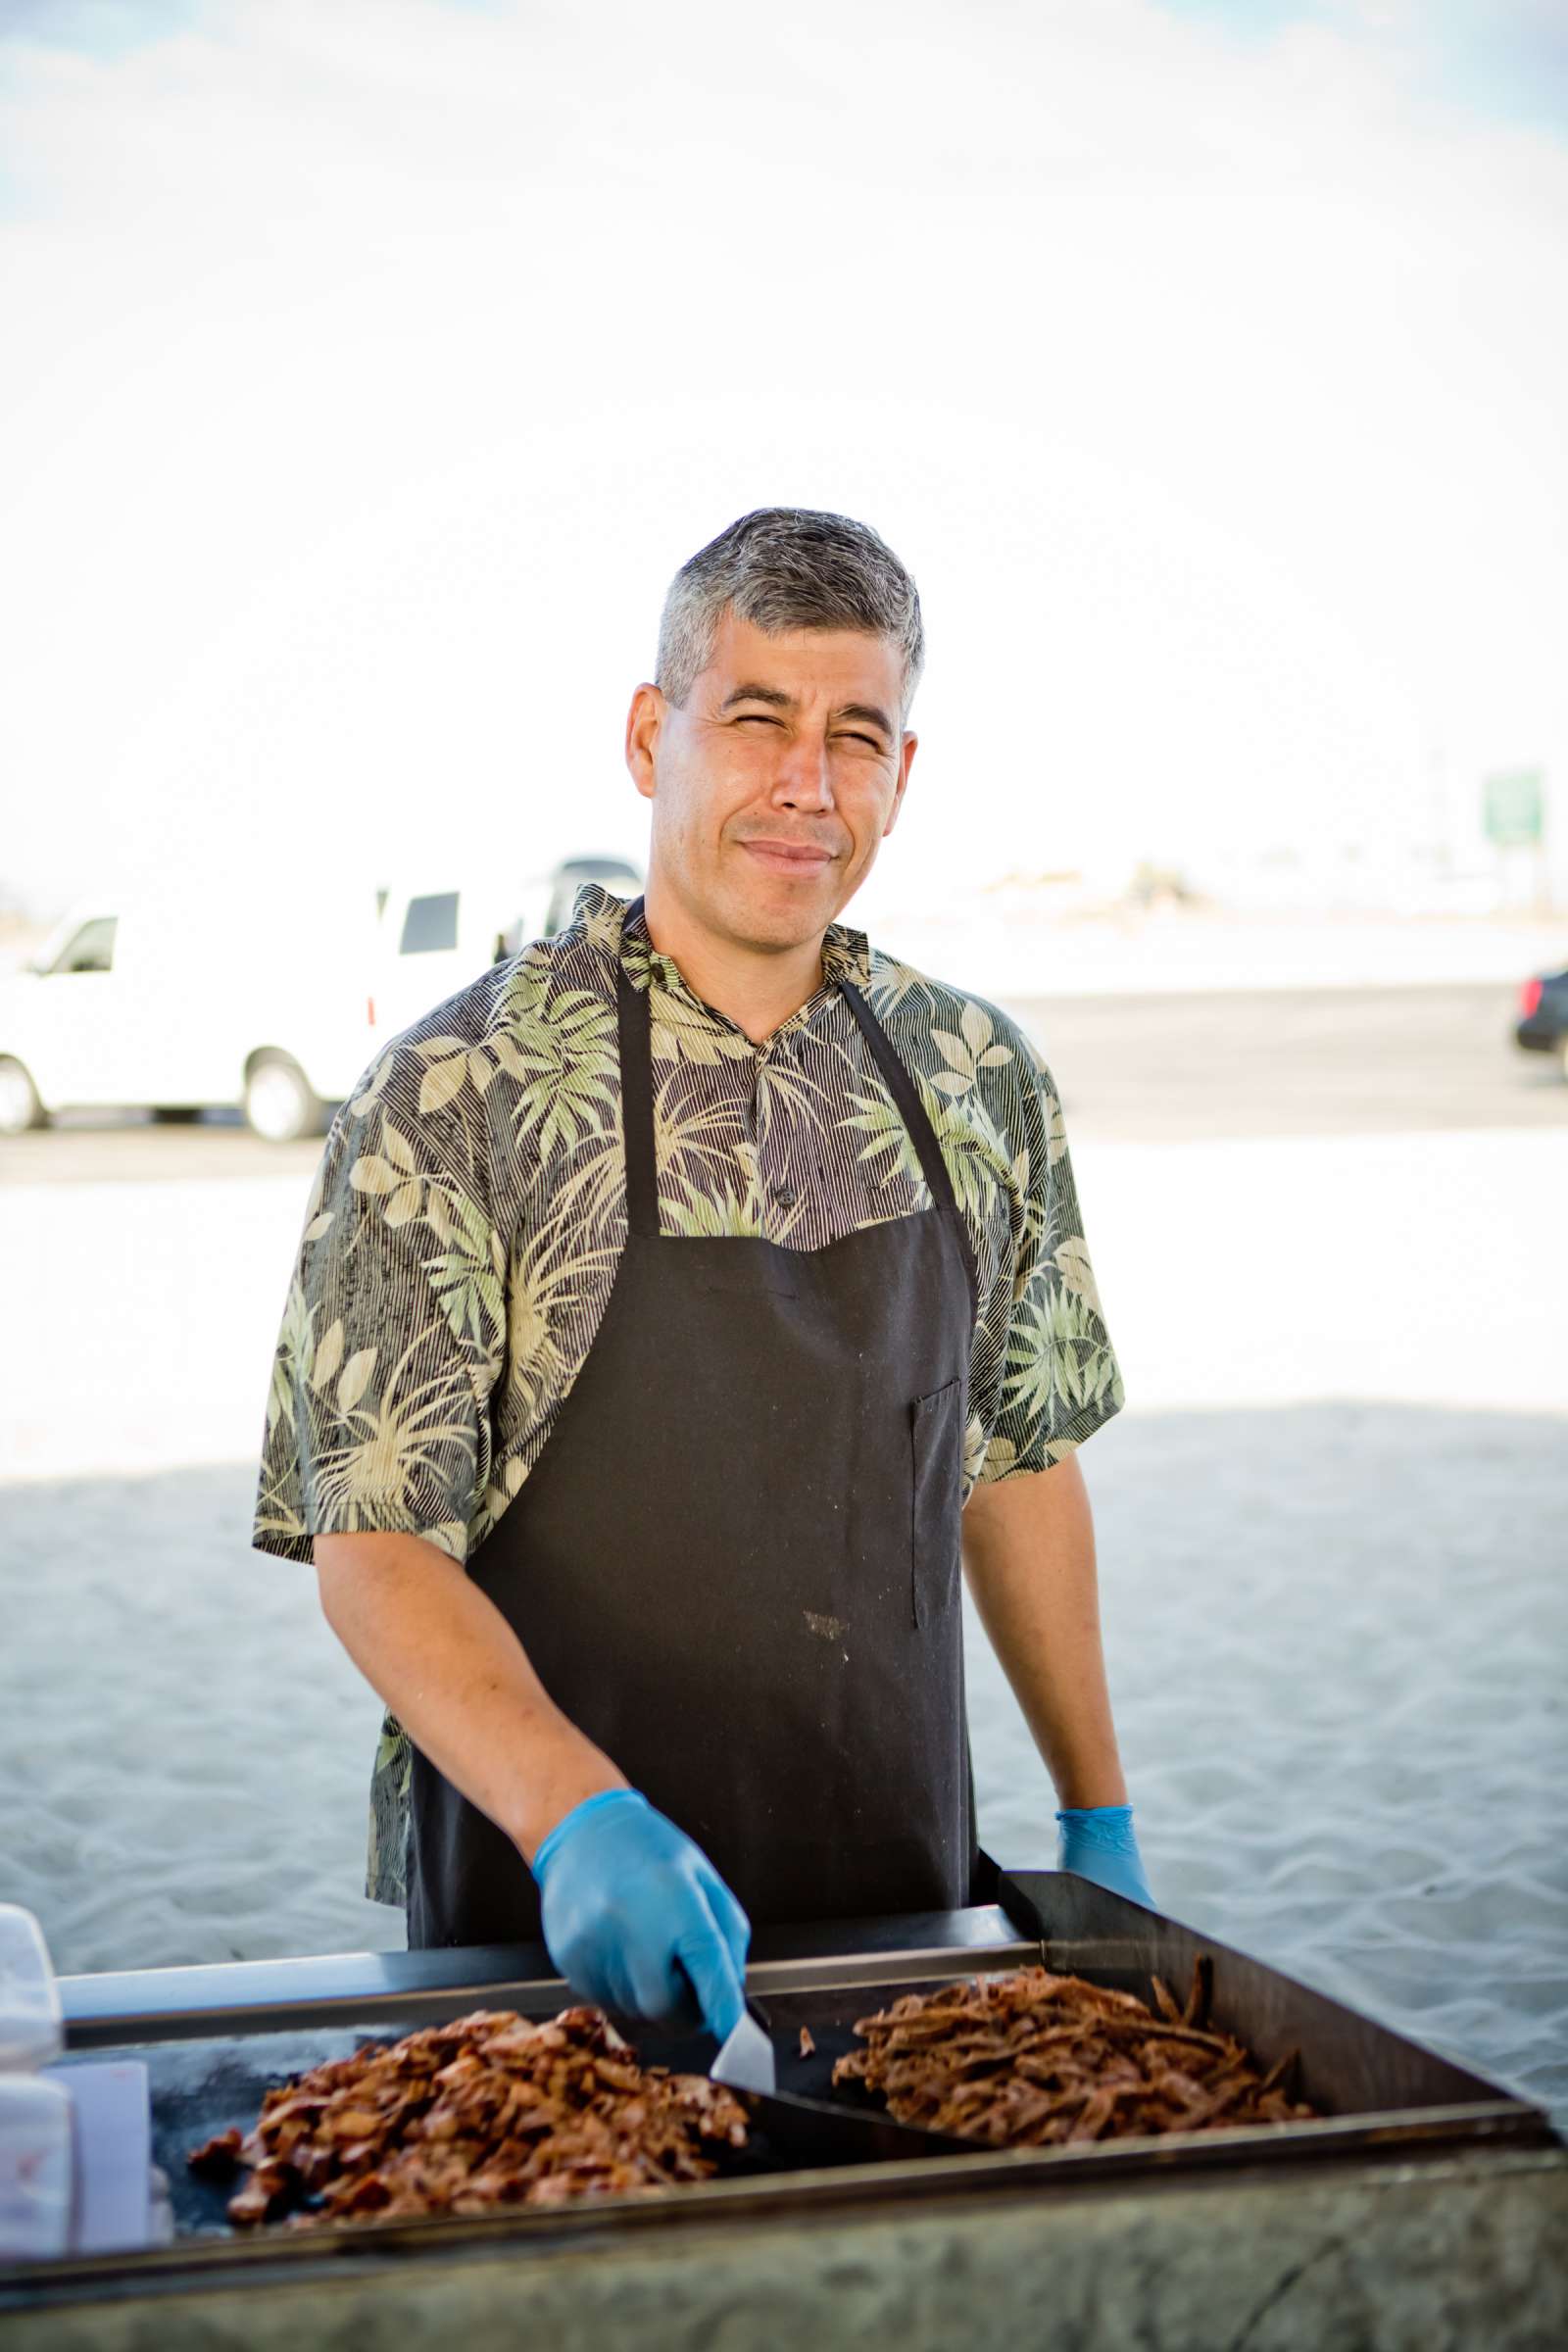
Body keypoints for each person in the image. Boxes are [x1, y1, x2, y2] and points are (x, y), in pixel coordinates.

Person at [253, 507, 1150, 2044]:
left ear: (905, 776)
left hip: (901, 1902)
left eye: (856, 734)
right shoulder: (458, 1089)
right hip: (546, 1923)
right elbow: (379, 1542)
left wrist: (1098, 1817)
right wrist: (579, 1821)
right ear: (650, 734)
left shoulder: (979, 1077)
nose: (807, 782)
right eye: (757, 720)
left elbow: (1017, 1463)